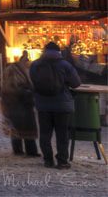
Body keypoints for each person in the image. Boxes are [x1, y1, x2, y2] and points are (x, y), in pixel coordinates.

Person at [30, 41, 82, 169]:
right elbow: (76, 83)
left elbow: (32, 82)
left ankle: (48, 161)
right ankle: (62, 162)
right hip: (62, 106)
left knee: (45, 134)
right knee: (62, 134)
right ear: (59, 52)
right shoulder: (65, 65)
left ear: (44, 51)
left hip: (43, 105)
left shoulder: (35, 65)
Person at [0, 52, 39, 157]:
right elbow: (26, 96)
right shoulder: (22, 83)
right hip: (24, 110)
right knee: (28, 131)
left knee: (16, 129)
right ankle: (31, 151)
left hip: (12, 109)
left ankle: (17, 150)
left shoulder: (7, 84)